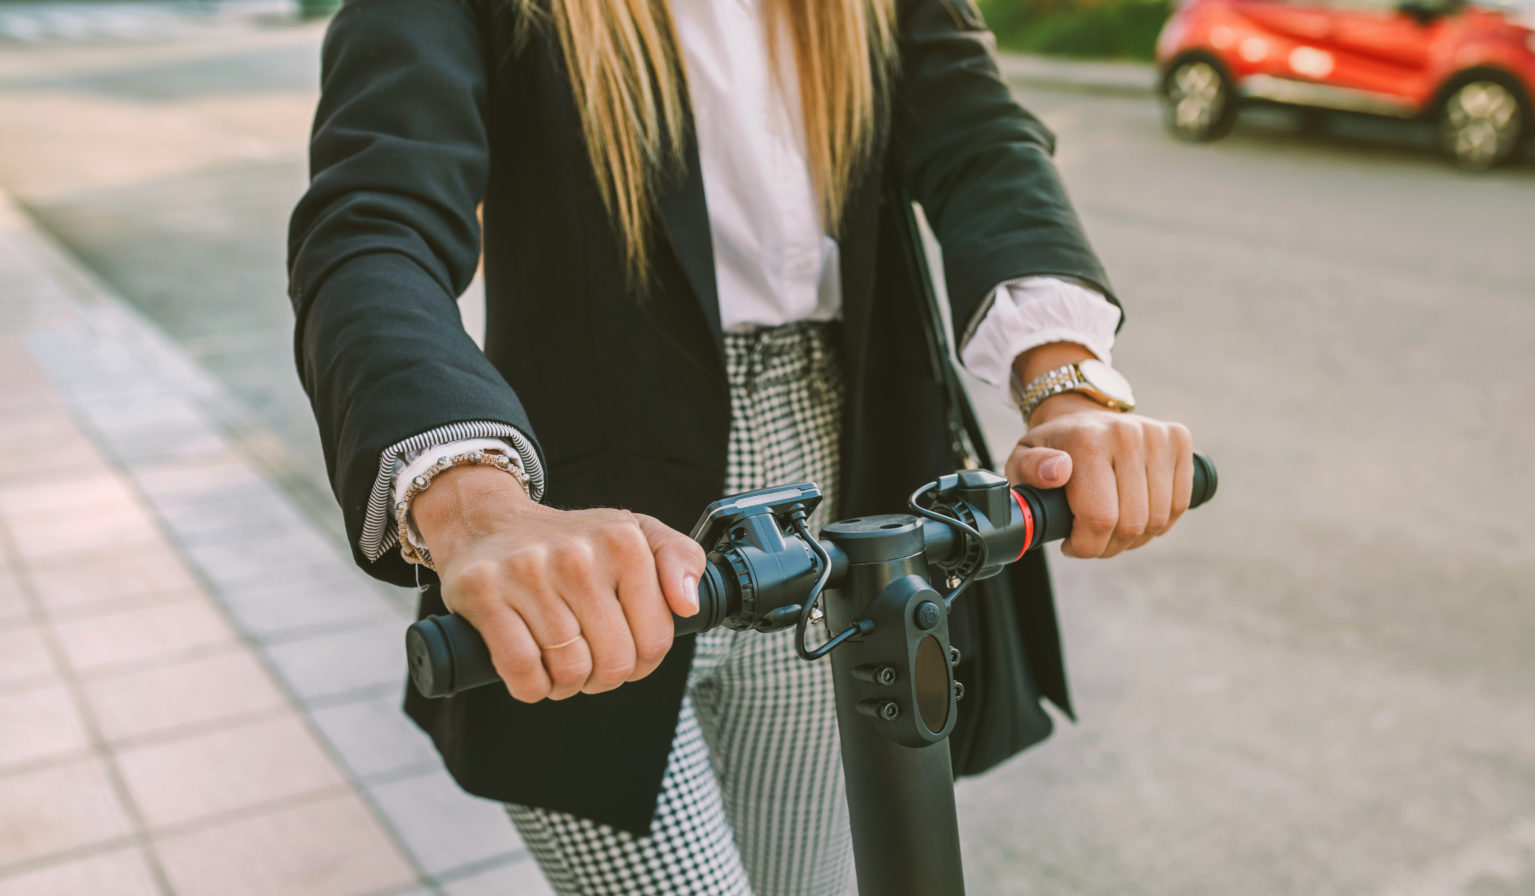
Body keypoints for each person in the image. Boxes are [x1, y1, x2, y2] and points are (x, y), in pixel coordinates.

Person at [287, 0, 1194, 892]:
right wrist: (475, 504)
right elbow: (375, 221)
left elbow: (981, 142)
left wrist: (1069, 382)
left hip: (835, 492)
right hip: (583, 524)